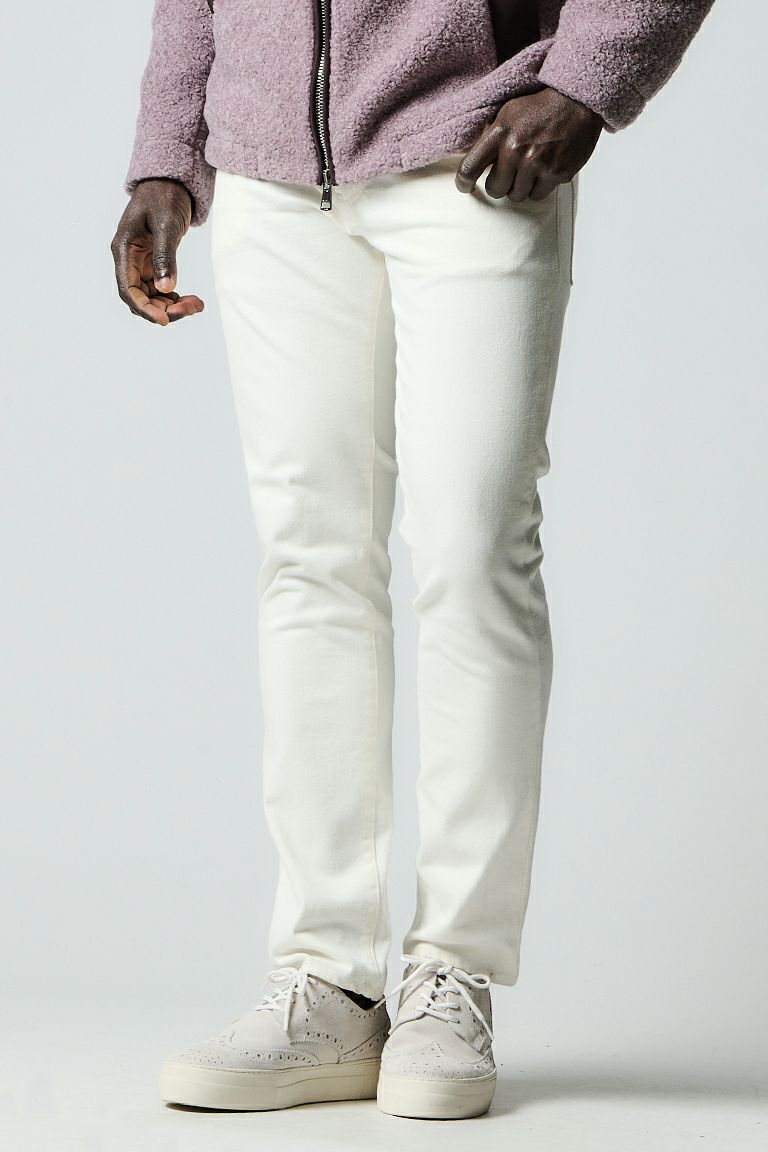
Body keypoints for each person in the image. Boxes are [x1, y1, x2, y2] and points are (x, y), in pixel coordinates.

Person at [112, 0, 714, 1122]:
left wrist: (587, 79)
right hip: (269, 173)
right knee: (310, 563)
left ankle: (453, 974)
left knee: (476, 552)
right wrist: (167, 150)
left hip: (470, 146)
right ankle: (328, 979)